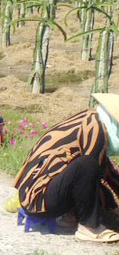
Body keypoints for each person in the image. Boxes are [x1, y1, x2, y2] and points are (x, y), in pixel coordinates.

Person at [14, 93, 119, 243]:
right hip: (38, 198)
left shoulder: (92, 120)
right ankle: (89, 228)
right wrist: (111, 205)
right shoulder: (94, 128)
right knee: (87, 165)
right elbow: (90, 174)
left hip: (38, 192)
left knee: (89, 168)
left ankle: (71, 216)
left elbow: (108, 173)